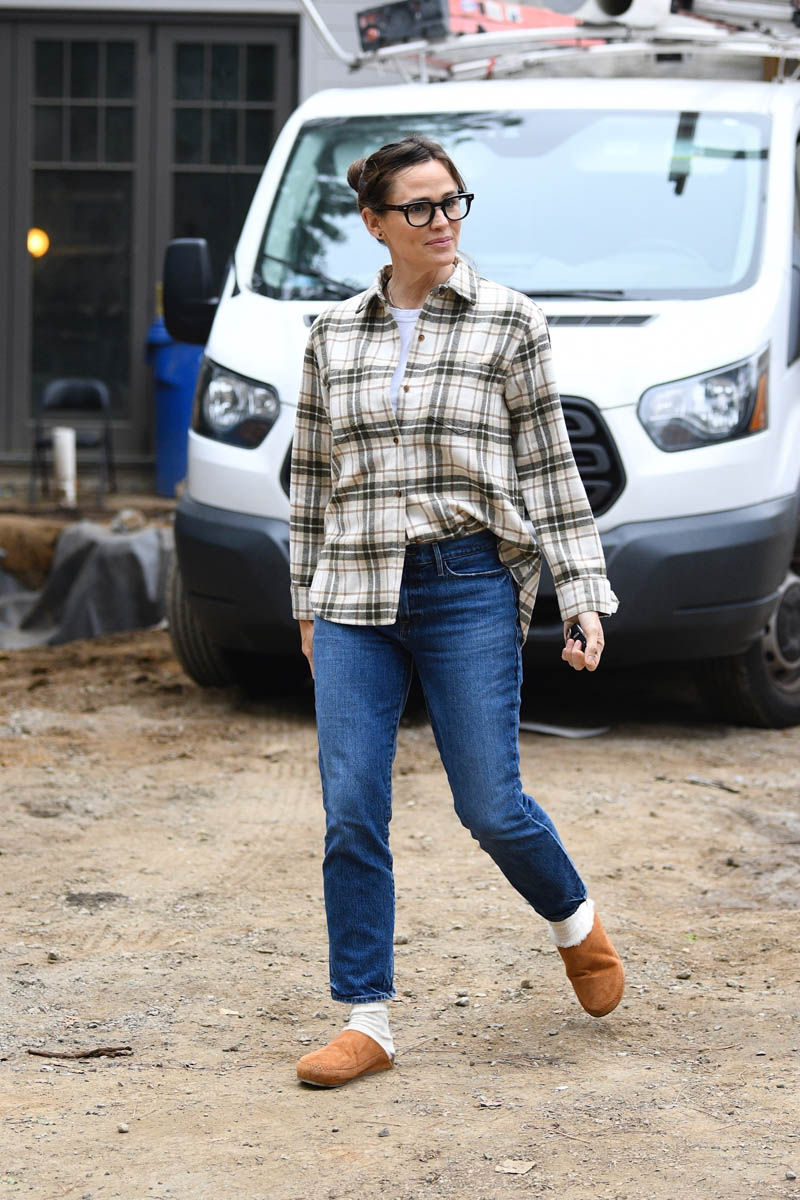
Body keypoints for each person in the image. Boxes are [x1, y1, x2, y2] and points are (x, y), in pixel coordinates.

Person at [290, 136, 623, 1089]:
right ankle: (366, 1018)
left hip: (468, 582)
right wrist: (303, 601)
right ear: (375, 223)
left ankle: (574, 921)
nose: (442, 221)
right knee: (352, 808)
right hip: (353, 591)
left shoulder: (509, 320)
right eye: (420, 208)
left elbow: (550, 469)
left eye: (453, 202)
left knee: (489, 803)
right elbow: (311, 477)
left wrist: (582, 591)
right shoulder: (330, 334)